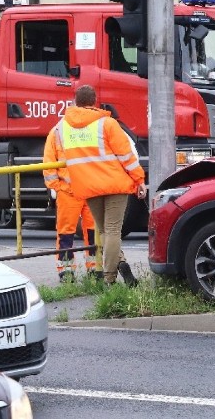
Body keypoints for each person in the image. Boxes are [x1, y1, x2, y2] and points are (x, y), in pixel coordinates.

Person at [54, 85, 146, 286]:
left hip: (88, 186)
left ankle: (120, 263)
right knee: (113, 230)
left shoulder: (63, 127)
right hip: (114, 184)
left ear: (75, 101)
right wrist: (139, 180)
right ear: (94, 101)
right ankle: (109, 278)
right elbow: (126, 156)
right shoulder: (107, 123)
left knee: (104, 231)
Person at [43, 128, 98, 282]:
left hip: (78, 189)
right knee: (84, 231)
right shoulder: (90, 127)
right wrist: (56, 186)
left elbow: (49, 160)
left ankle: (72, 271)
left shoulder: (57, 131)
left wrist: (56, 186)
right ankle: (91, 269)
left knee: (76, 232)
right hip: (83, 189)